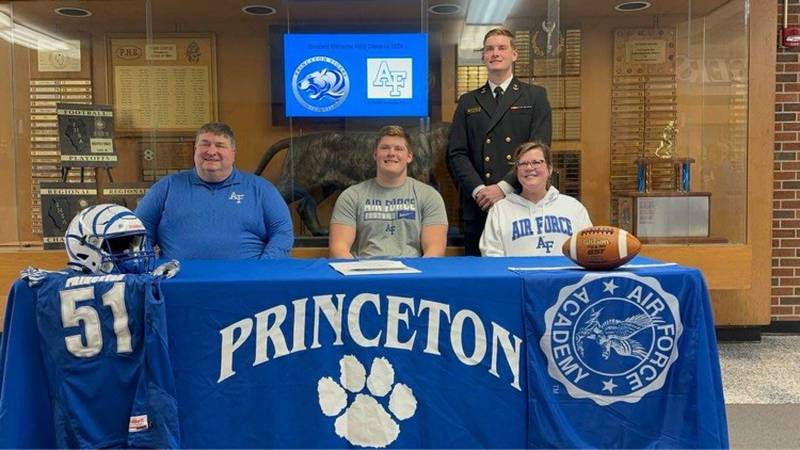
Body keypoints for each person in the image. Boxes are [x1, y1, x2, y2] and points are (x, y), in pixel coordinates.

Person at [448, 27, 552, 256]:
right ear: (483, 56)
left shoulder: (535, 96)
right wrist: (479, 191)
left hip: (520, 197)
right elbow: (457, 153)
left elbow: (539, 150)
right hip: (479, 204)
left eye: (501, 48)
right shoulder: (468, 101)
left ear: (514, 54)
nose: (495, 53)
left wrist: (503, 188)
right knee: (479, 278)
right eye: (489, 49)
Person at [135, 122, 293, 260]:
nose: (211, 151)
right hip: (177, 284)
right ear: (195, 149)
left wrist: (264, 269)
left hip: (246, 284)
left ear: (233, 153)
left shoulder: (261, 189)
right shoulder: (166, 187)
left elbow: (282, 232)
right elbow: (138, 233)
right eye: (205, 144)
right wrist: (147, 267)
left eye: (220, 145)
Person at [329, 125, 448, 258]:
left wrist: (418, 277)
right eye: (385, 148)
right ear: (375, 154)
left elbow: (435, 249)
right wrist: (357, 274)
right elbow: (338, 249)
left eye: (399, 149)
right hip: (365, 273)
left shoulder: (429, 196)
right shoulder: (351, 196)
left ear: (409, 157)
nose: (391, 153)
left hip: (411, 274)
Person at [480, 142, 591, 256]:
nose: (529, 167)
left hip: (564, 274)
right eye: (522, 163)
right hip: (515, 274)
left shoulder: (573, 207)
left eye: (536, 162)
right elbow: (491, 254)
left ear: (550, 169)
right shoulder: (500, 210)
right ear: (516, 171)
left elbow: (587, 250)